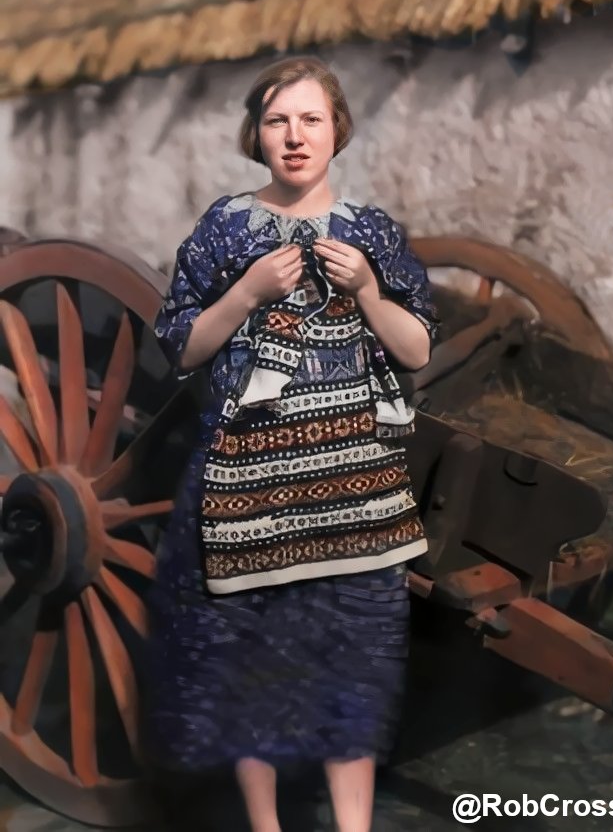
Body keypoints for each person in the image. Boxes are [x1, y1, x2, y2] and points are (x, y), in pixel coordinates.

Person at [145, 56, 440, 832]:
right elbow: (181, 348)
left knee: (353, 667)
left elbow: (416, 349)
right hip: (251, 489)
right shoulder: (225, 227)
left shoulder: (370, 230)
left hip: (355, 493)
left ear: (337, 130)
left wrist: (368, 289)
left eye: (311, 119)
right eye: (277, 121)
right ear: (257, 135)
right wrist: (247, 293)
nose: (295, 136)